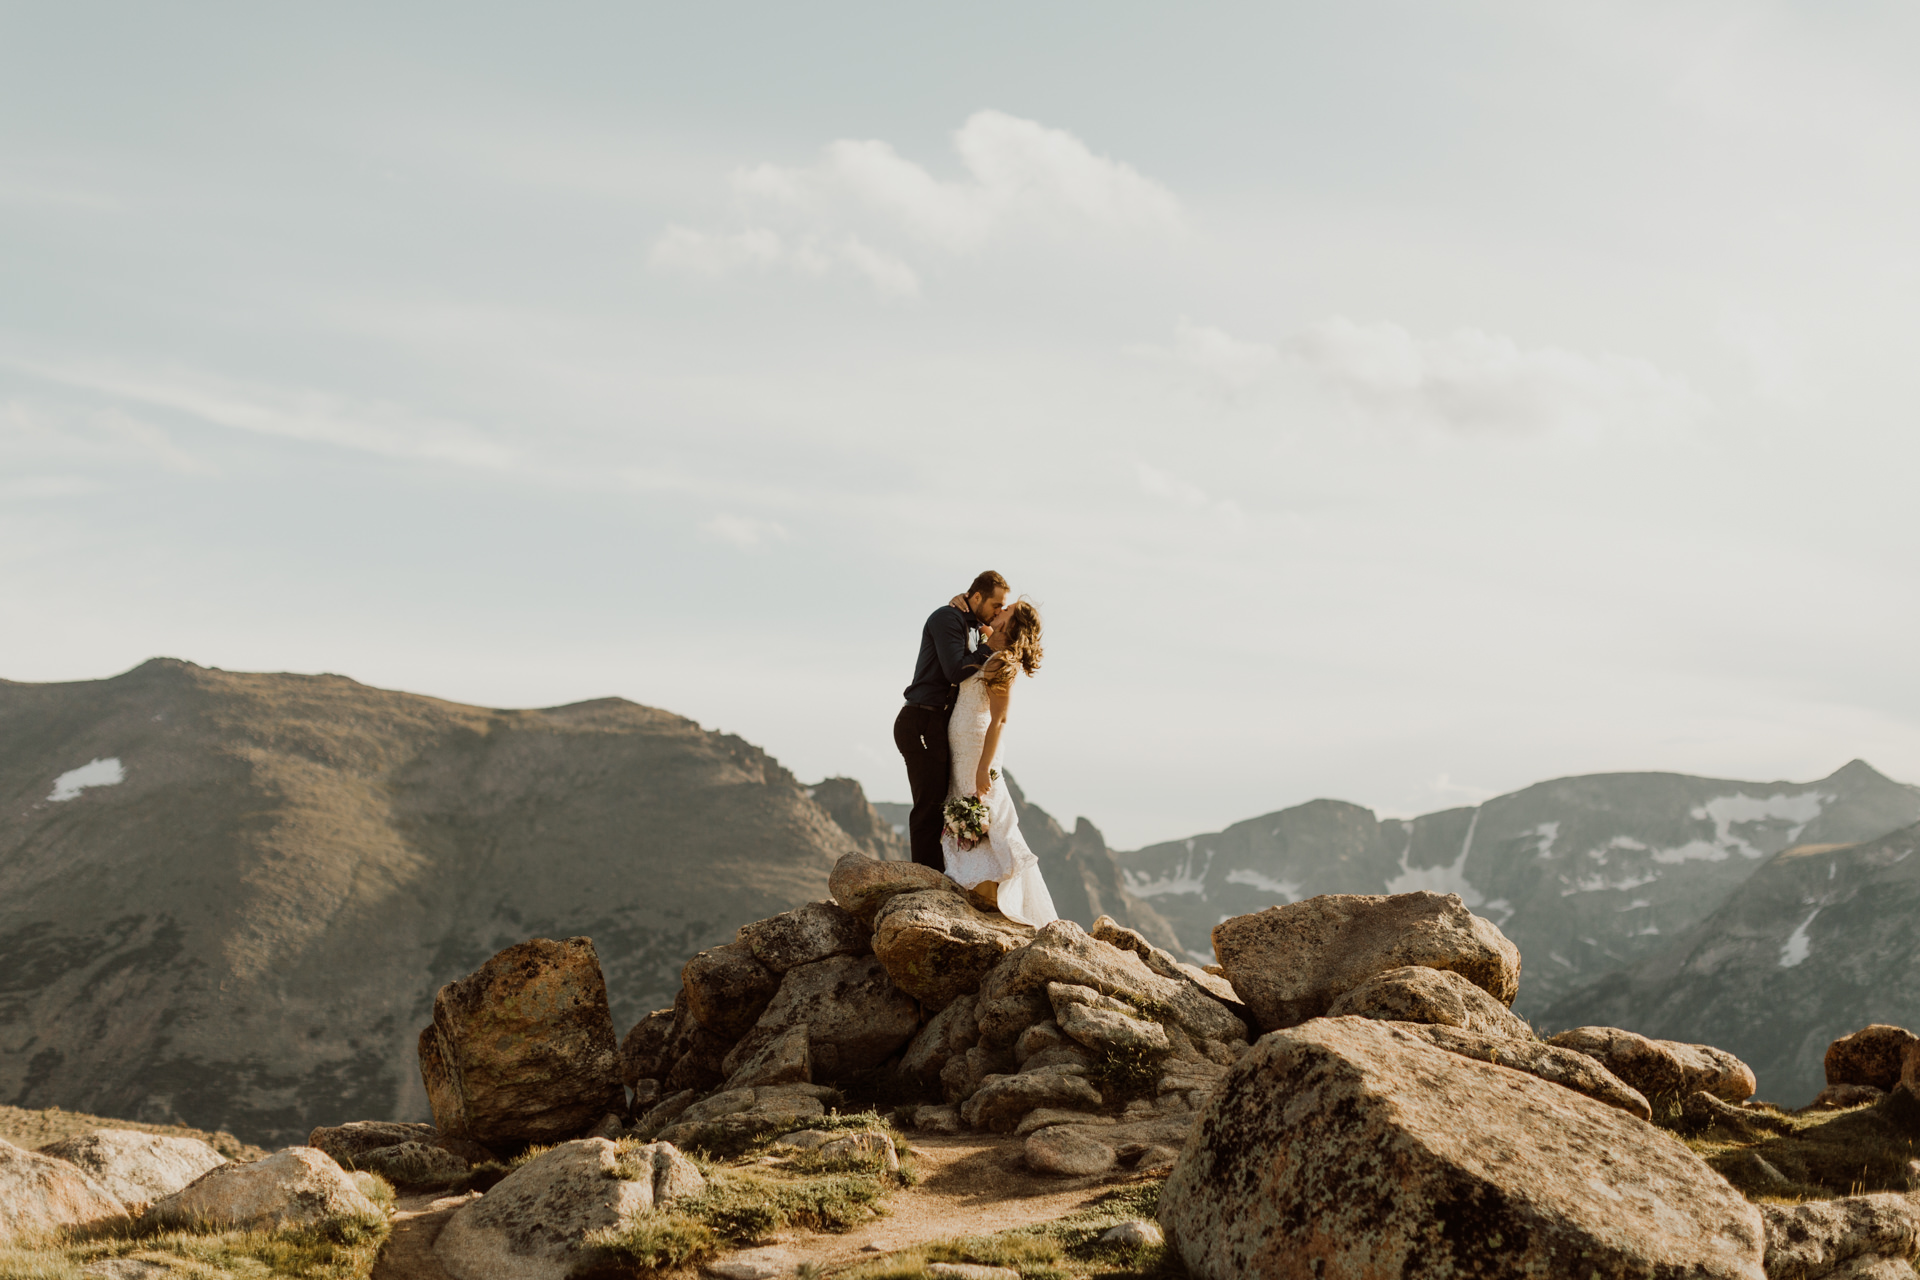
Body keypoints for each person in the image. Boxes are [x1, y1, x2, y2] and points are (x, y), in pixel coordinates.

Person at [940, 598, 1056, 927]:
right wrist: (959, 607)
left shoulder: (1002, 661)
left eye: (1006, 610)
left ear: (1009, 623)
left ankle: (993, 900)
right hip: (963, 747)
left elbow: (999, 721)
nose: (999, 611)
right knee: (970, 815)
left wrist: (982, 767)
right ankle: (979, 895)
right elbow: (980, 629)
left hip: (978, 750)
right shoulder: (993, 648)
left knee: (986, 818)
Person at [895, 571, 1009, 868]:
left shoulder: (968, 623)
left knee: (939, 803)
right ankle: (925, 878)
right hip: (920, 719)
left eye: (1002, 608)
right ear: (976, 597)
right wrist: (989, 645)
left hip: (936, 724)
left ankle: (940, 873)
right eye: (996, 605)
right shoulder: (948, 618)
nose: (998, 612)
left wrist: (986, 634)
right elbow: (955, 671)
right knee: (928, 806)